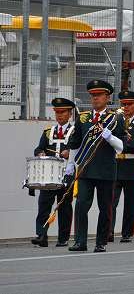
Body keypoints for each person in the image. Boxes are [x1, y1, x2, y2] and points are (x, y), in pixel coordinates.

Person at [67, 80, 125, 252]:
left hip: (106, 170)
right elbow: (75, 143)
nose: (95, 98)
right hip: (85, 169)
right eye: (93, 95)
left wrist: (110, 137)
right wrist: (71, 164)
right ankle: (80, 241)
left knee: (105, 208)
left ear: (107, 97)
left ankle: (101, 242)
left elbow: (122, 146)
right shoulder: (83, 118)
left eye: (99, 95)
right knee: (81, 205)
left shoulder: (116, 118)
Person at [30, 97, 75, 248]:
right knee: (44, 204)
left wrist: (70, 153)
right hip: (49, 175)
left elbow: (80, 150)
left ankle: (63, 238)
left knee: (64, 206)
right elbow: (38, 148)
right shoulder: (49, 131)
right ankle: (41, 235)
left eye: (63, 112)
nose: (60, 116)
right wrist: (40, 153)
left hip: (67, 174)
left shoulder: (75, 131)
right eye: (57, 113)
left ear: (70, 114)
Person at [110, 90, 134, 243]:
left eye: (129, 104)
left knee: (130, 204)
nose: (125, 107)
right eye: (123, 104)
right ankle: (108, 231)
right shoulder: (114, 122)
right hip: (115, 165)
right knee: (111, 201)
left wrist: (128, 140)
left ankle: (127, 233)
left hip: (132, 167)